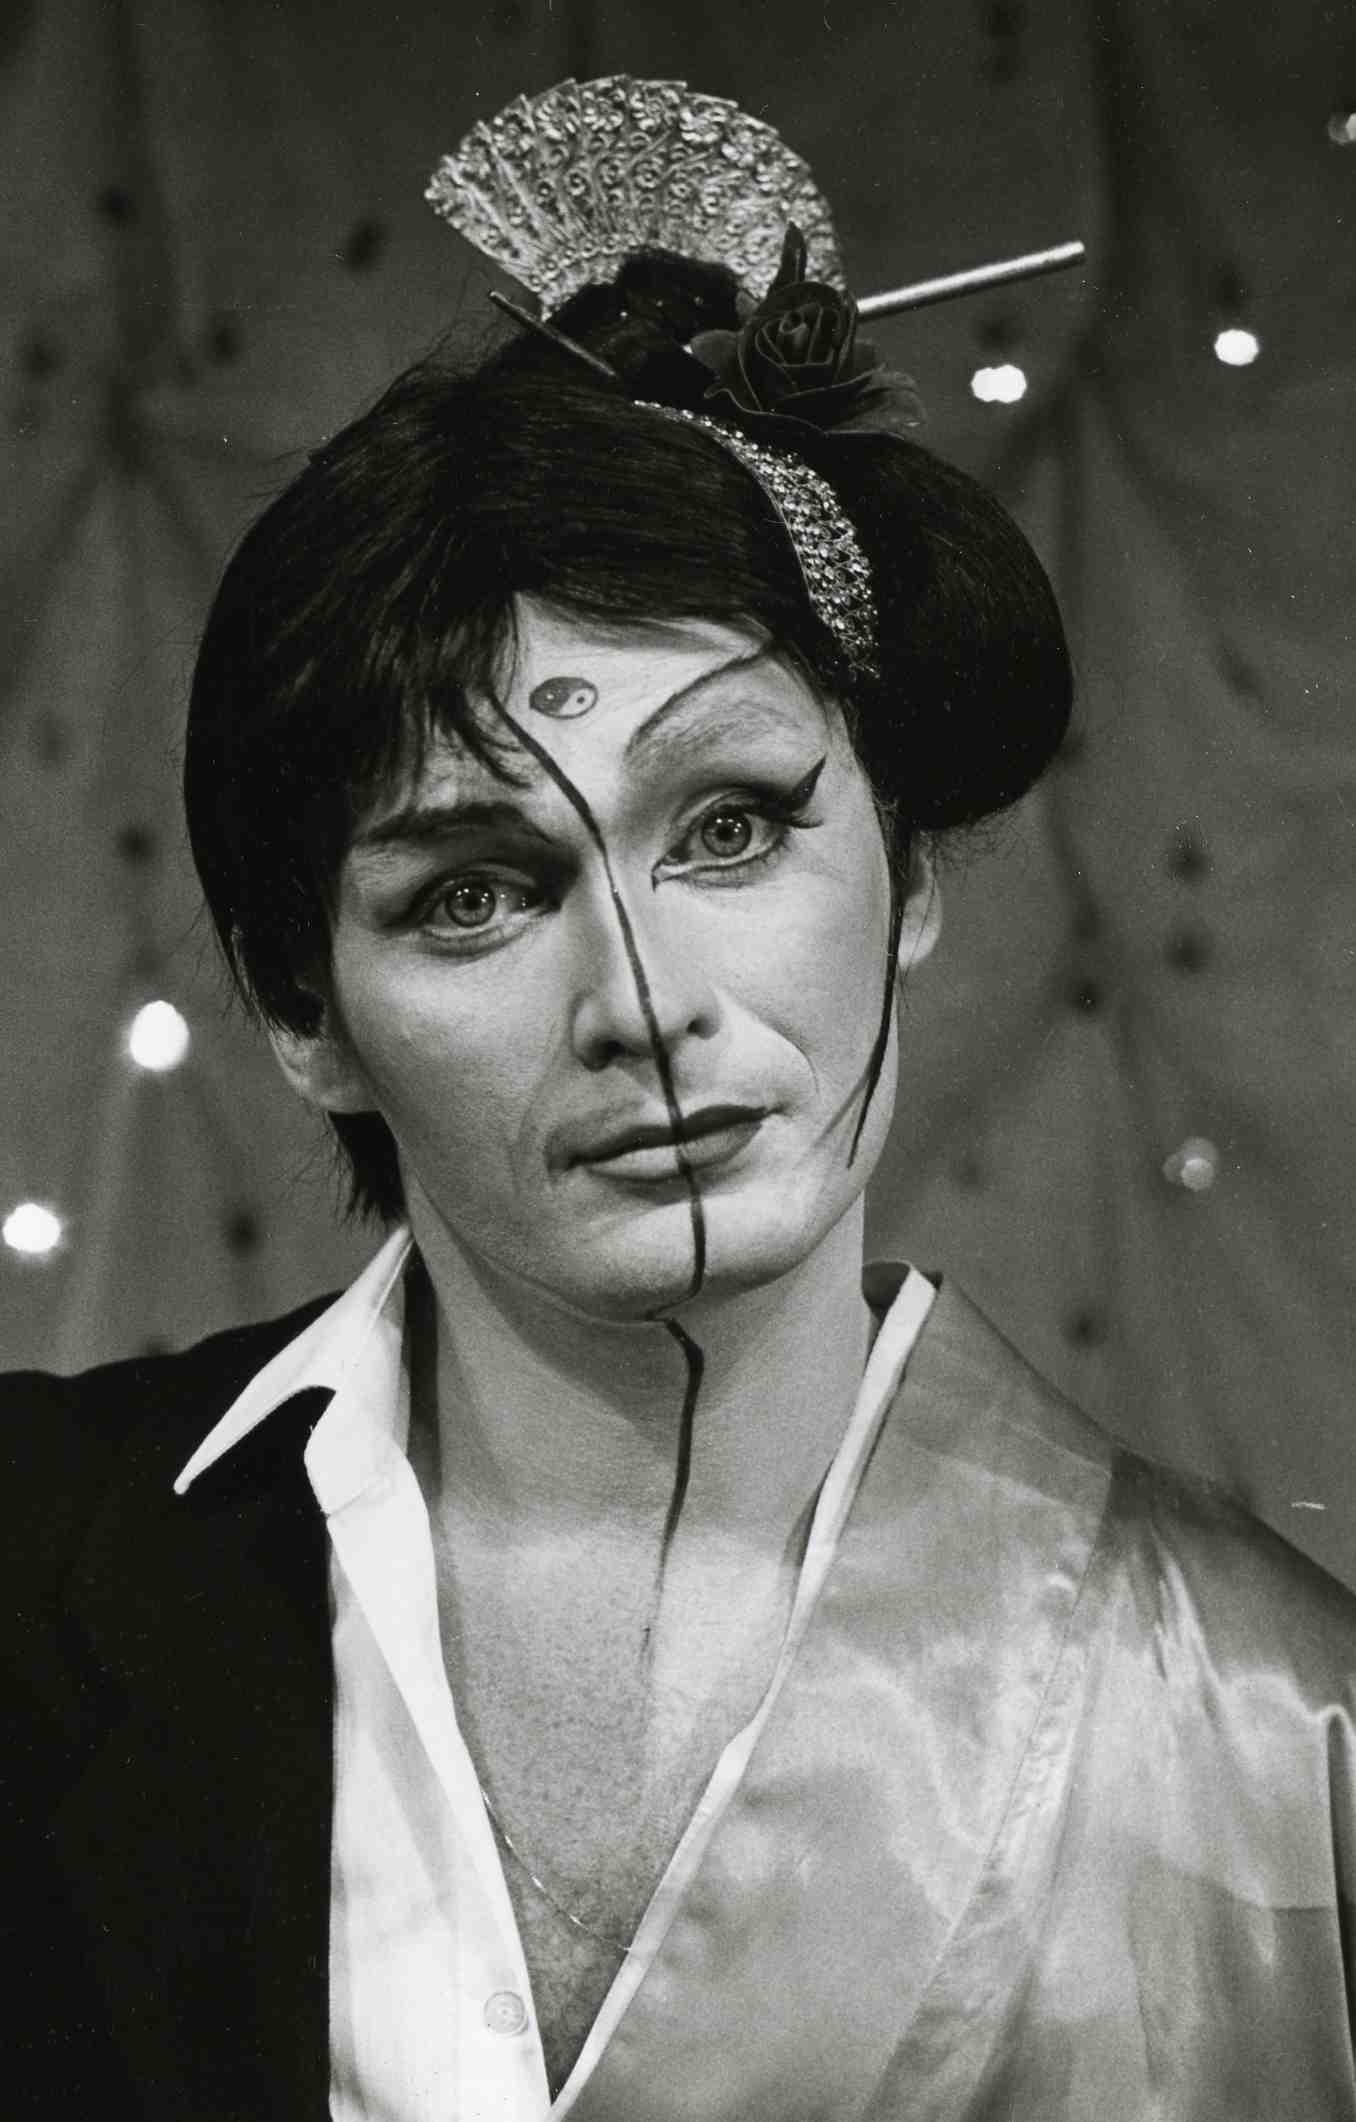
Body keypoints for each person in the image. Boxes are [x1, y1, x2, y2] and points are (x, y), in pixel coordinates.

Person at [6, 77, 1356, 2122]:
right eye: (475, 891)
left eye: (729, 826)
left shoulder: (1278, 1718)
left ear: (906, 863)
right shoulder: (32, 1578)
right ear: (303, 1011)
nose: (639, 1001)